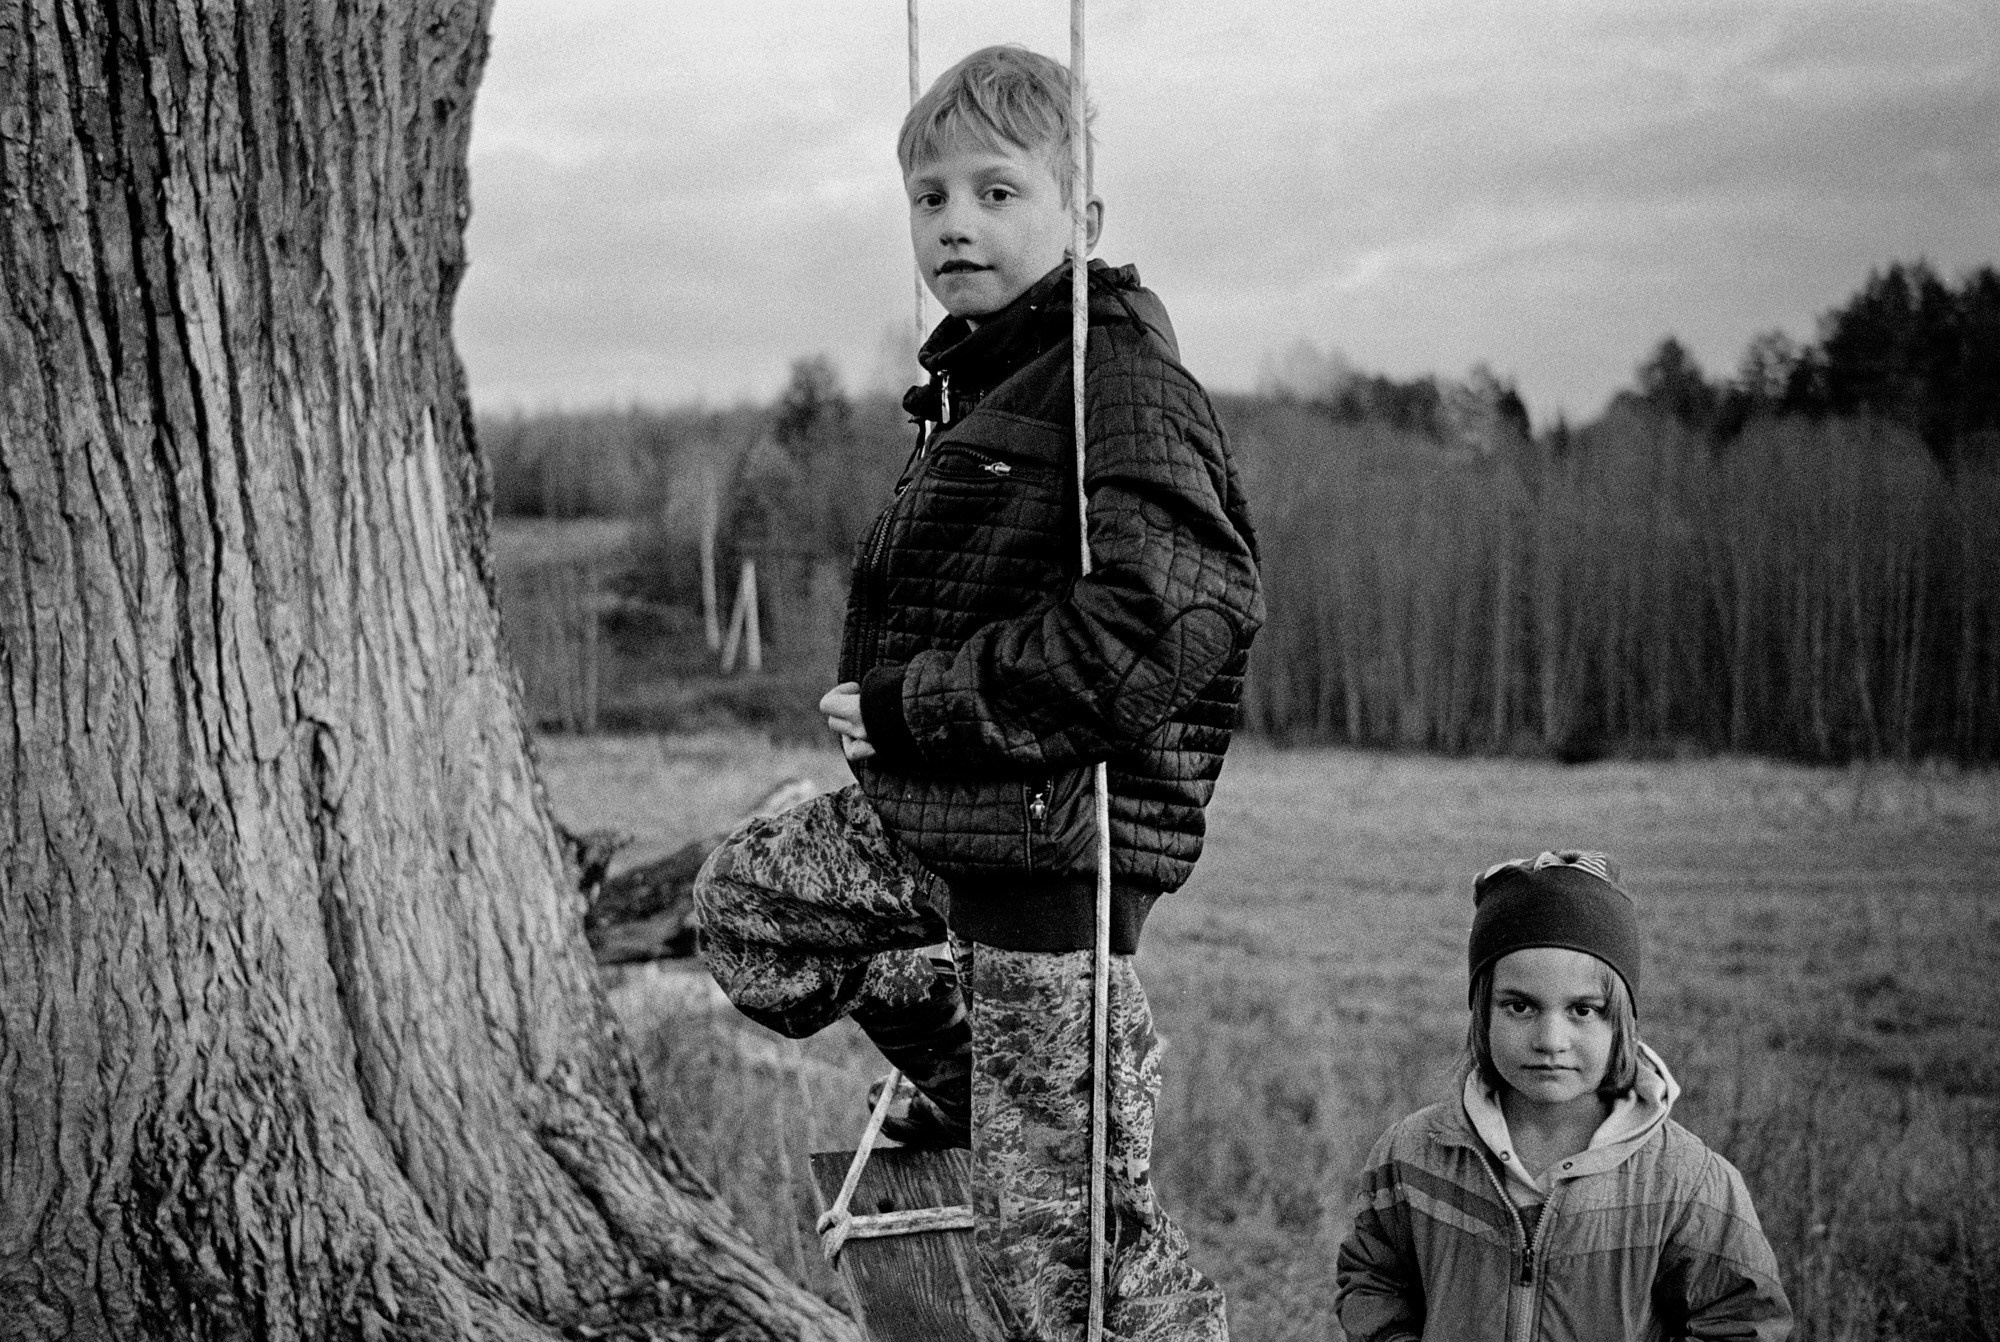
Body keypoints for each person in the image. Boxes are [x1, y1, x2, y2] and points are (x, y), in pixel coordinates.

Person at [692, 43, 1262, 1342]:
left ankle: (1032, 1109)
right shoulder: (984, 375)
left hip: (1049, 855)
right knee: (748, 910)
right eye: (931, 196)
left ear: (1085, 219)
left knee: (1077, 1271)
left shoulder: (1115, 380)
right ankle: (975, 1073)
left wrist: (919, 703)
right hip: (944, 823)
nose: (956, 222)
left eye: (998, 193)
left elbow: (1173, 613)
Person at [1335, 851, 1794, 1341]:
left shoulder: (1685, 1182)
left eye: (1583, 1010)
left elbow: (1743, 1321)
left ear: (1621, 1020)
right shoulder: (1415, 1154)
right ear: (1481, 1014)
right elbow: (1372, 1279)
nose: (1550, 1039)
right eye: (1520, 1006)